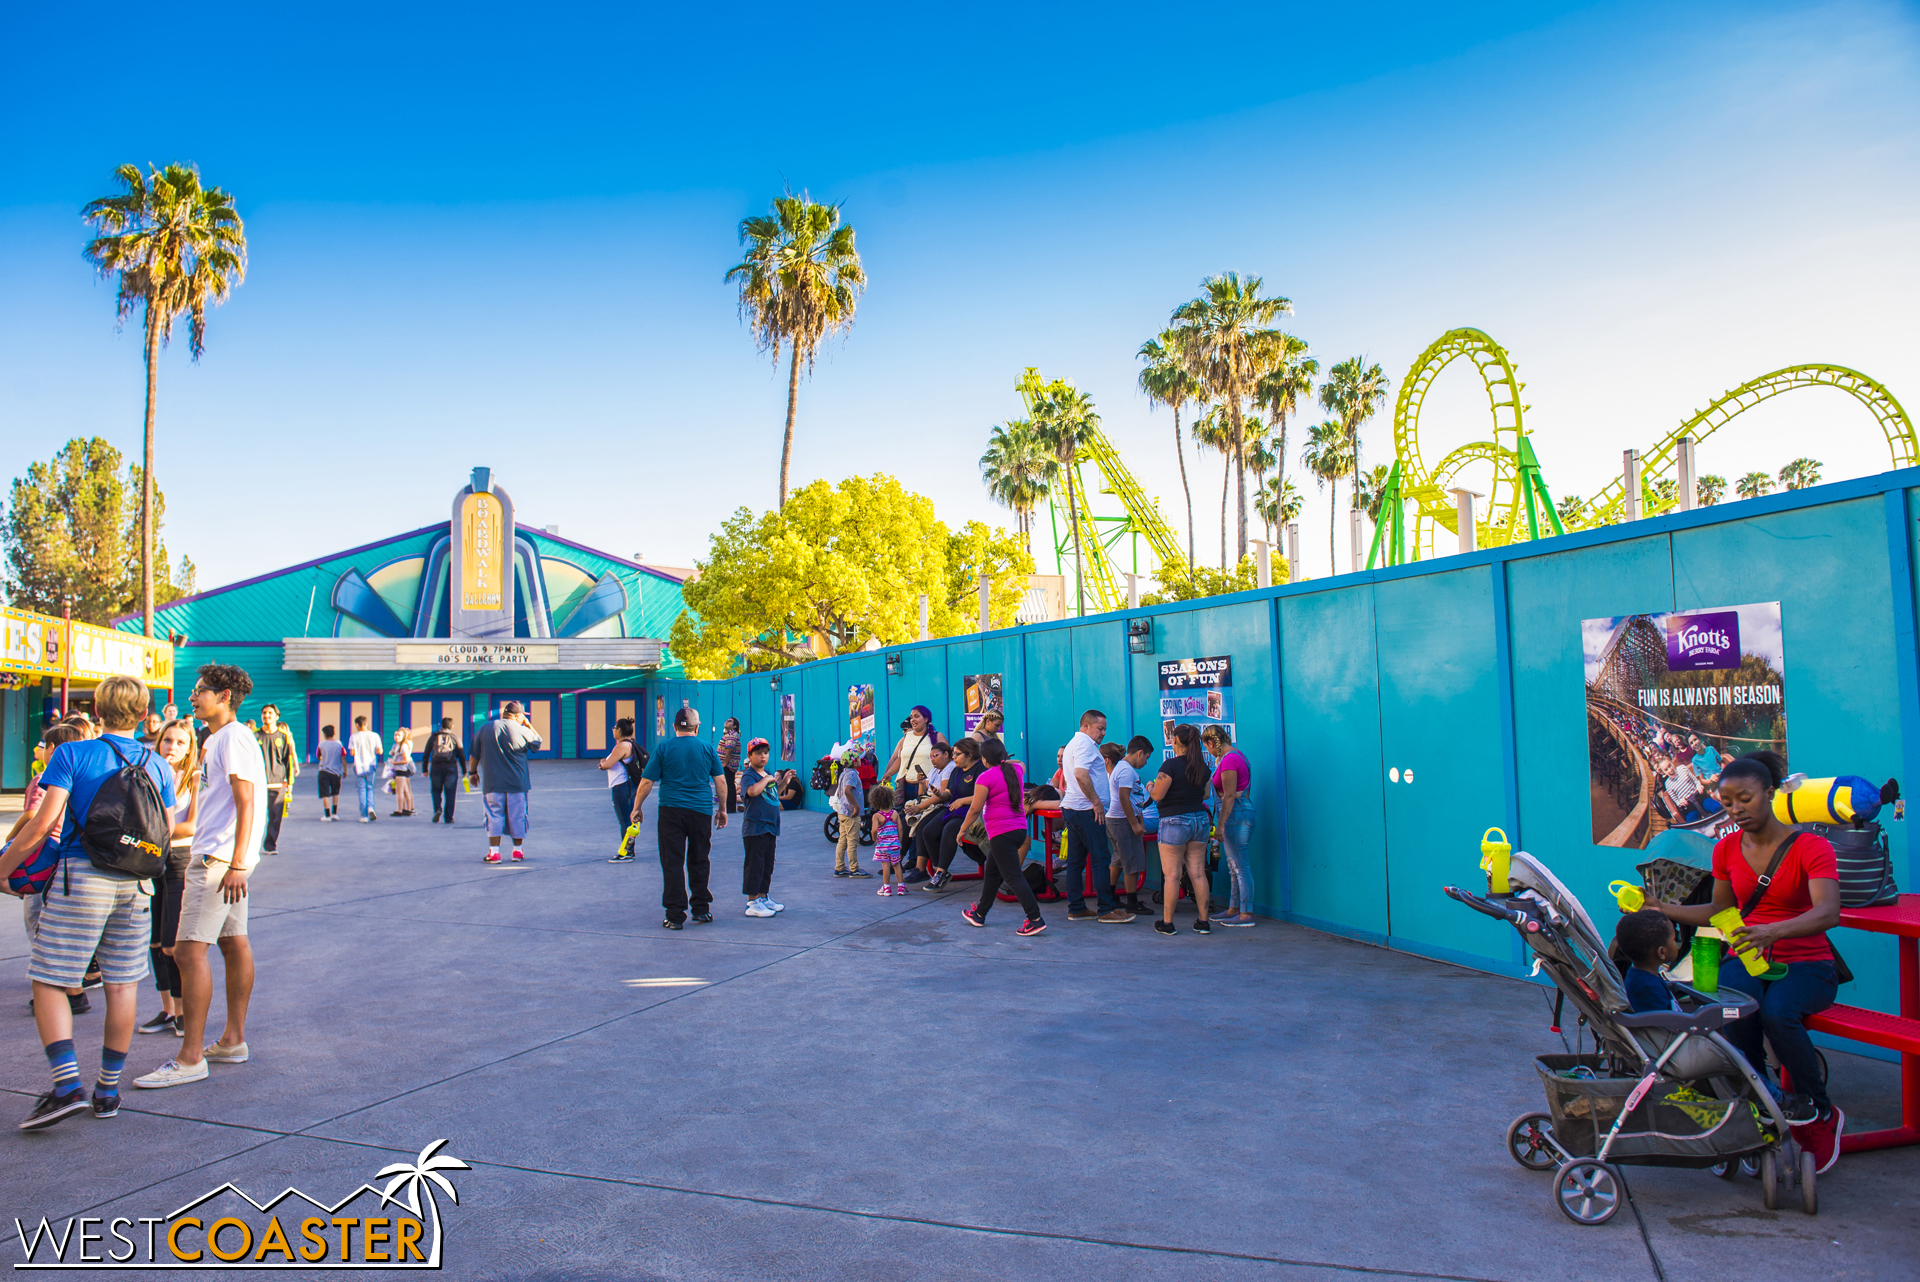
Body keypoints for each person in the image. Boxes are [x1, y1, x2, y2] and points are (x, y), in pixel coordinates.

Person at [1640, 750, 1845, 1174]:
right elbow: (1719, 911)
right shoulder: (1727, 849)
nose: (1736, 809)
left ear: (1769, 793)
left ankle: (1820, 1111)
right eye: (1728, 801)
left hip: (1808, 962)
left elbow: (1828, 913)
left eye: (1745, 799)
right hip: (1749, 958)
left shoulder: (1813, 847)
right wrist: (1664, 910)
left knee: (1778, 1013)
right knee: (1733, 1013)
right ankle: (1763, 1103)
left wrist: (1774, 930)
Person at [0, 675, 177, 1128]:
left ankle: (66, 1085)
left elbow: (41, 825)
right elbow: (167, 834)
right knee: (121, 985)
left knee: (49, 979)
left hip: (81, 878)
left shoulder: (72, 753)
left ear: (97, 711)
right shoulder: (159, 765)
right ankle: (107, 1091)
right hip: (137, 884)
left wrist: (3, 867)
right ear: (142, 715)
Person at [133, 664, 266, 1092]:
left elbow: (247, 802)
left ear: (223, 695)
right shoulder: (219, 739)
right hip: (224, 861)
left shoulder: (232, 738)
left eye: (200, 691)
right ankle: (232, 1041)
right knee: (231, 942)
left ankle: (190, 1057)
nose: (193, 698)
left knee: (188, 952)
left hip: (216, 862)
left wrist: (239, 863)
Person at [6, 724, 92, 1018]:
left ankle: (60, 992)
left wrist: (10, 841)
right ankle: (73, 990)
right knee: (60, 927)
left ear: (54, 749)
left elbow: (34, 817)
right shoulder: (84, 775)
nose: (40, 750)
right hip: (68, 857)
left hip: (42, 859)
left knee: (39, 923)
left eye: (43, 745)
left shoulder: (44, 778)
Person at [631, 705, 726, 929]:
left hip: (671, 811)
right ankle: (701, 910)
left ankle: (674, 915)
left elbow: (646, 781)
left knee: (672, 861)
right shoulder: (707, 748)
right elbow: (720, 781)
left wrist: (637, 807)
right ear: (697, 727)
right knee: (699, 859)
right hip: (701, 811)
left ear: (674, 727)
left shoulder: (663, 748)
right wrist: (722, 809)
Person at [139, 717, 200, 1037]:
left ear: (190, 748)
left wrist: (151, 832)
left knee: (172, 944)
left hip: (179, 861)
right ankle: (167, 1009)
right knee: (154, 941)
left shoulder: (194, 778)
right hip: (150, 860)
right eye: (167, 740)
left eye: (180, 742)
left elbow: (192, 826)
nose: (172, 747)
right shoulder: (147, 773)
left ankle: (182, 1012)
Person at [958, 737, 1046, 935]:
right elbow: (1021, 763)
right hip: (1018, 830)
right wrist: (1006, 761)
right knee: (992, 872)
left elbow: (975, 809)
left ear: (984, 759)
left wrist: (963, 829)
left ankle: (1035, 919)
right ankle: (980, 913)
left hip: (1001, 833)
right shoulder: (1015, 771)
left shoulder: (985, 778)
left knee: (1013, 876)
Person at [1061, 709, 1130, 923]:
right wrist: (1096, 802)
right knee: (1100, 859)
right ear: (1086, 726)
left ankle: (1077, 907)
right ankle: (1106, 908)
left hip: (1075, 808)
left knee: (1076, 861)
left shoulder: (1075, 744)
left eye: (1104, 729)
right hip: (1086, 810)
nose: (1103, 734)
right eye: (1100, 729)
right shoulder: (1084, 744)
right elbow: (1081, 774)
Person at [1149, 724, 1213, 935]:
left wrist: (1150, 787)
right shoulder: (1203, 768)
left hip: (1174, 822)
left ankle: (1167, 923)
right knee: (1198, 873)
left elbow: (1157, 795)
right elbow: (1205, 795)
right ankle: (1203, 922)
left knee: (1172, 875)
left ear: (1175, 740)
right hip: (1200, 821)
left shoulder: (1170, 766)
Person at [469, 701, 541, 862]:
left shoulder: (484, 728)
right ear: (517, 716)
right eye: (523, 716)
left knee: (494, 815)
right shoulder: (522, 730)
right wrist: (528, 725)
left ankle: (494, 852)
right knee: (518, 816)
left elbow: (474, 754)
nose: (524, 718)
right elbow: (537, 743)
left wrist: (472, 772)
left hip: (492, 783)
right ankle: (517, 851)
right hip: (517, 783)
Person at [1204, 725, 1256, 926]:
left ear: (1211, 743)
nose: (1208, 752)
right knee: (1234, 865)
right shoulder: (1238, 755)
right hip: (1241, 813)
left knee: (1240, 866)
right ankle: (1234, 908)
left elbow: (1229, 796)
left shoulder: (1229, 760)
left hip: (1236, 815)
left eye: (1207, 747)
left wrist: (1222, 825)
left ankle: (1246, 913)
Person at [920, 737, 986, 890]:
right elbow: (948, 794)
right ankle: (939, 870)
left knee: (950, 829)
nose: (953, 757)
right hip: (954, 809)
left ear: (969, 755)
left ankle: (942, 872)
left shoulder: (981, 769)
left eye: (957, 754)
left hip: (973, 812)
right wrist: (939, 794)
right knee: (928, 831)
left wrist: (963, 801)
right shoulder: (956, 771)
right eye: (953, 754)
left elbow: (985, 795)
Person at [1106, 736, 1155, 917]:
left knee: (1119, 858)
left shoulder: (1121, 767)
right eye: (1146, 758)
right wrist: (1134, 824)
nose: (1146, 762)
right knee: (1131, 861)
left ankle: (1110, 895)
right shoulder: (1127, 771)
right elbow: (1124, 798)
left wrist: (1139, 818)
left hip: (1115, 819)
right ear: (1139, 753)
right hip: (1122, 821)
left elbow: (1134, 799)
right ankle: (1132, 901)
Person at [739, 738, 784, 917]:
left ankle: (763, 897)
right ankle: (752, 902)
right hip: (755, 828)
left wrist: (785, 782)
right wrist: (766, 779)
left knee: (767, 865)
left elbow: (774, 795)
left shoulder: (767, 774)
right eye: (758, 753)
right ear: (749, 756)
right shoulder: (749, 775)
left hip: (770, 828)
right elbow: (752, 792)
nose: (763, 756)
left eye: (765, 752)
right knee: (755, 865)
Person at [902, 737, 954, 884]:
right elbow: (922, 794)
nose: (932, 759)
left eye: (935, 756)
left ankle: (922, 869)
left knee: (922, 826)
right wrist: (921, 783)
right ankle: (897, 861)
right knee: (903, 822)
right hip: (929, 803)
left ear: (946, 754)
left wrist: (918, 808)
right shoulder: (934, 771)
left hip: (942, 806)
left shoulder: (950, 769)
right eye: (930, 757)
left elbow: (942, 796)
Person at [1611, 910, 1681, 1013]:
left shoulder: (1637, 975)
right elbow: (1663, 1025)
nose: (1676, 943)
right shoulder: (1651, 990)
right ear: (1662, 952)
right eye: (1674, 940)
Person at [255, 704, 299, 853]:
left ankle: (270, 845)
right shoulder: (254, 736)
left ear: (276, 716)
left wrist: (290, 783)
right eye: (264, 713)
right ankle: (253, 846)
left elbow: (288, 761)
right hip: (258, 784)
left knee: (275, 817)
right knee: (256, 817)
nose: (266, 716)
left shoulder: (283, 736)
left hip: (278, 783)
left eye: (269, 713)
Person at [599, 717, 638, 839]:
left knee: (625, 821)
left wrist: (602, 763)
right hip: (629, 785)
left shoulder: (621, 746)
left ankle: (626, 852)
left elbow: (607, 764)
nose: (613, 730)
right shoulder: (631, 744)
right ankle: (629, 850)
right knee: (629, 820)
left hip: (622, 786)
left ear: (619, 730)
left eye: (614, 728)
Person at [422, 718, 466, 824]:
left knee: (436, 790)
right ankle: (449, 817)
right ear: (452, 726)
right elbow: (461, 755)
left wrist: (425, 769)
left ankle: (438, 809)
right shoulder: (455, 738)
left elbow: (426, 753)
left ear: (441, 725)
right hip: (451, 768)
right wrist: (464, 770)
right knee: (450, 793)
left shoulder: (434, 737)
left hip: (436, 767)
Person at [831, 760, 869, 878]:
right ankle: (854, 869)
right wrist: (856, 806)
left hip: (842, 811)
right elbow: (847, 790)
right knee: (852, 842)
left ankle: (840, 867)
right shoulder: (852, 774)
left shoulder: (843, 773)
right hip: (851, 813)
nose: (860, 761)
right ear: (853, 763)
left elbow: (840, 792)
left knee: (842, 840)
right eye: (857, 759)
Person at [347, 715, 384, 822]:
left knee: (361, 790)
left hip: (358, 765)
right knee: (370, 788)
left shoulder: (354, 737)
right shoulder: (375, 735)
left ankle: (364, 815)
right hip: (371, 765)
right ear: (366, 724)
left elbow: (352, 752)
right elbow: (379, 751)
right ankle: (371, 808)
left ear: (356, 725)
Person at [869, 784, 904, 895]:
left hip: (883, 845)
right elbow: (900, 828)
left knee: (886, 866)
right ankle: (901, 887)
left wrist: (875, 839)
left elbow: (874, 830)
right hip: (895, 844)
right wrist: (900, 841)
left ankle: (887, 887)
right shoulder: (895, 813)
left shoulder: (876, 816)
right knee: (897, 864)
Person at [314, 724, 345, 822]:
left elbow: (318, 756)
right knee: (336, 792)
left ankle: (327, 815)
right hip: (336, 772)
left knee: (325, 793)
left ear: (324, 734)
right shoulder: (339, 744)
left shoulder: (321, 745)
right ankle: (335, 813)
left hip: (324, 770)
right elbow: (343, 757)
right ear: (333, 733)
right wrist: (345, 770)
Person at [387, 727, 416, 817]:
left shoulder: (403, 746)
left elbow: (405, 760)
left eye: (399, 735)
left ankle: (399, 810)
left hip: (401, 769)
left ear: (403, 736)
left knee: (399, 791)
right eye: (395, 735)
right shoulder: (397, 746)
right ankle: (407, 809)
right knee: (405, 790)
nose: (396, 737)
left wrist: (394, 762)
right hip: (399, 769)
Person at [718, 717, 742, 813]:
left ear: (734, 726)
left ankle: (730, 807)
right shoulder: (729, 734)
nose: (726, 721)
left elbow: (729, 749)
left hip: (728, 765)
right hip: (728, 765)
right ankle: (728, 807)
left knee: (727, 785)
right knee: (728, 784)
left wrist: (724, 763)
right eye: (726, 720)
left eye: (730, 721)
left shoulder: (731, 734)